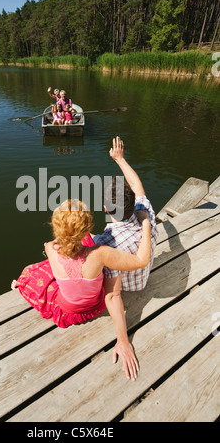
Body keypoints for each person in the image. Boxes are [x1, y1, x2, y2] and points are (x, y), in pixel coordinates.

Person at [11, 198, 152, 382]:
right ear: (86, 227)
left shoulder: (50, 248)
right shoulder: (101, 253)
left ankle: (17, 284)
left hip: (66, 311)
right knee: (86, 245)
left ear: (56, 229)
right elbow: (141, 261)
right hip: (95, 305)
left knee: (31, 272)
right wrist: (146, 222)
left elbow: (62, 242)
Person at [93, 136, 158, 380]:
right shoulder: (145, 213)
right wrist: (120, 159)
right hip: (144, 275)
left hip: (129, 285)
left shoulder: (107, 244)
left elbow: (113, 295)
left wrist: (123, 340)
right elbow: (138, 188)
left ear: (106, 209)